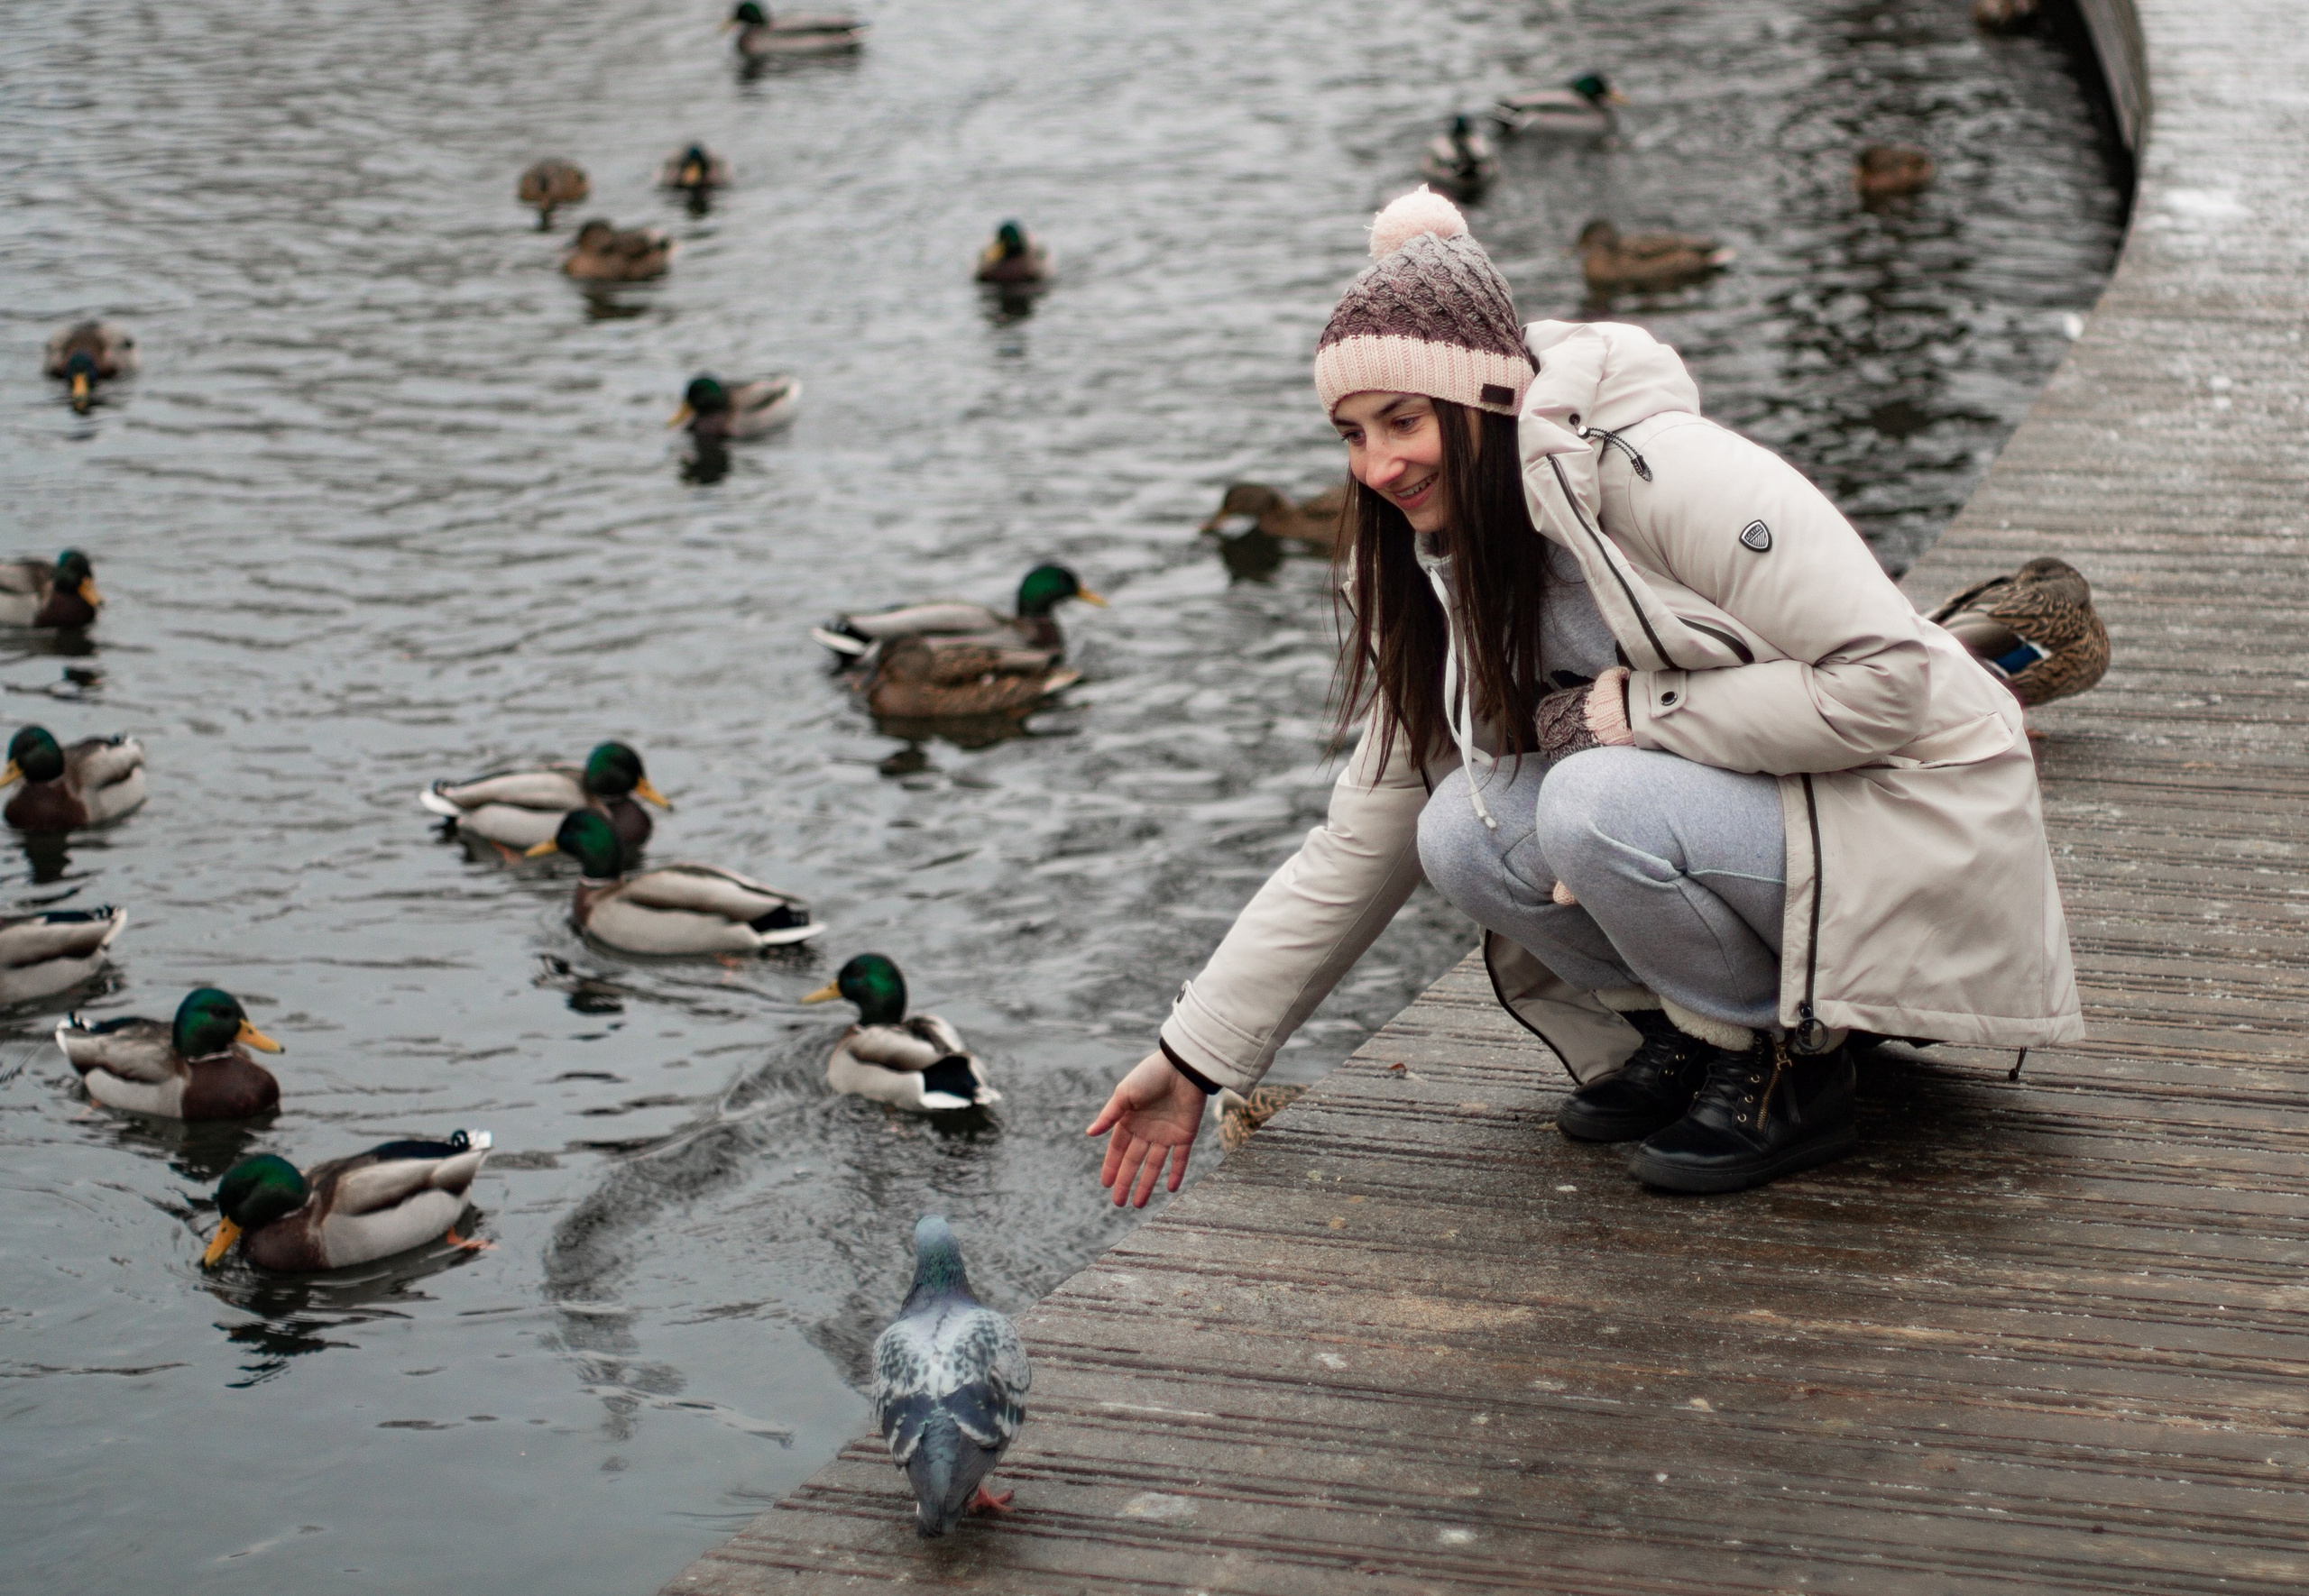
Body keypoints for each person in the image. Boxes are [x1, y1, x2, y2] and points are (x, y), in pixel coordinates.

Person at [1090, 187, 2082, 1202]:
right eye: (1349, 433)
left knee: (1587, 799)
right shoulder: (1437, 561)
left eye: (1401, 419)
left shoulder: (1665, 472)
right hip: (1780, 819)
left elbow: (1891, 688)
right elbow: (1364, 834)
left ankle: (1790, 1063)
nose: (1377, 465)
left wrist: (1636, 715)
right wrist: (1195, 1055)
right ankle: (1694, 1034)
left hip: (1919, 812)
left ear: (1479, 401)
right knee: (1457, 830)